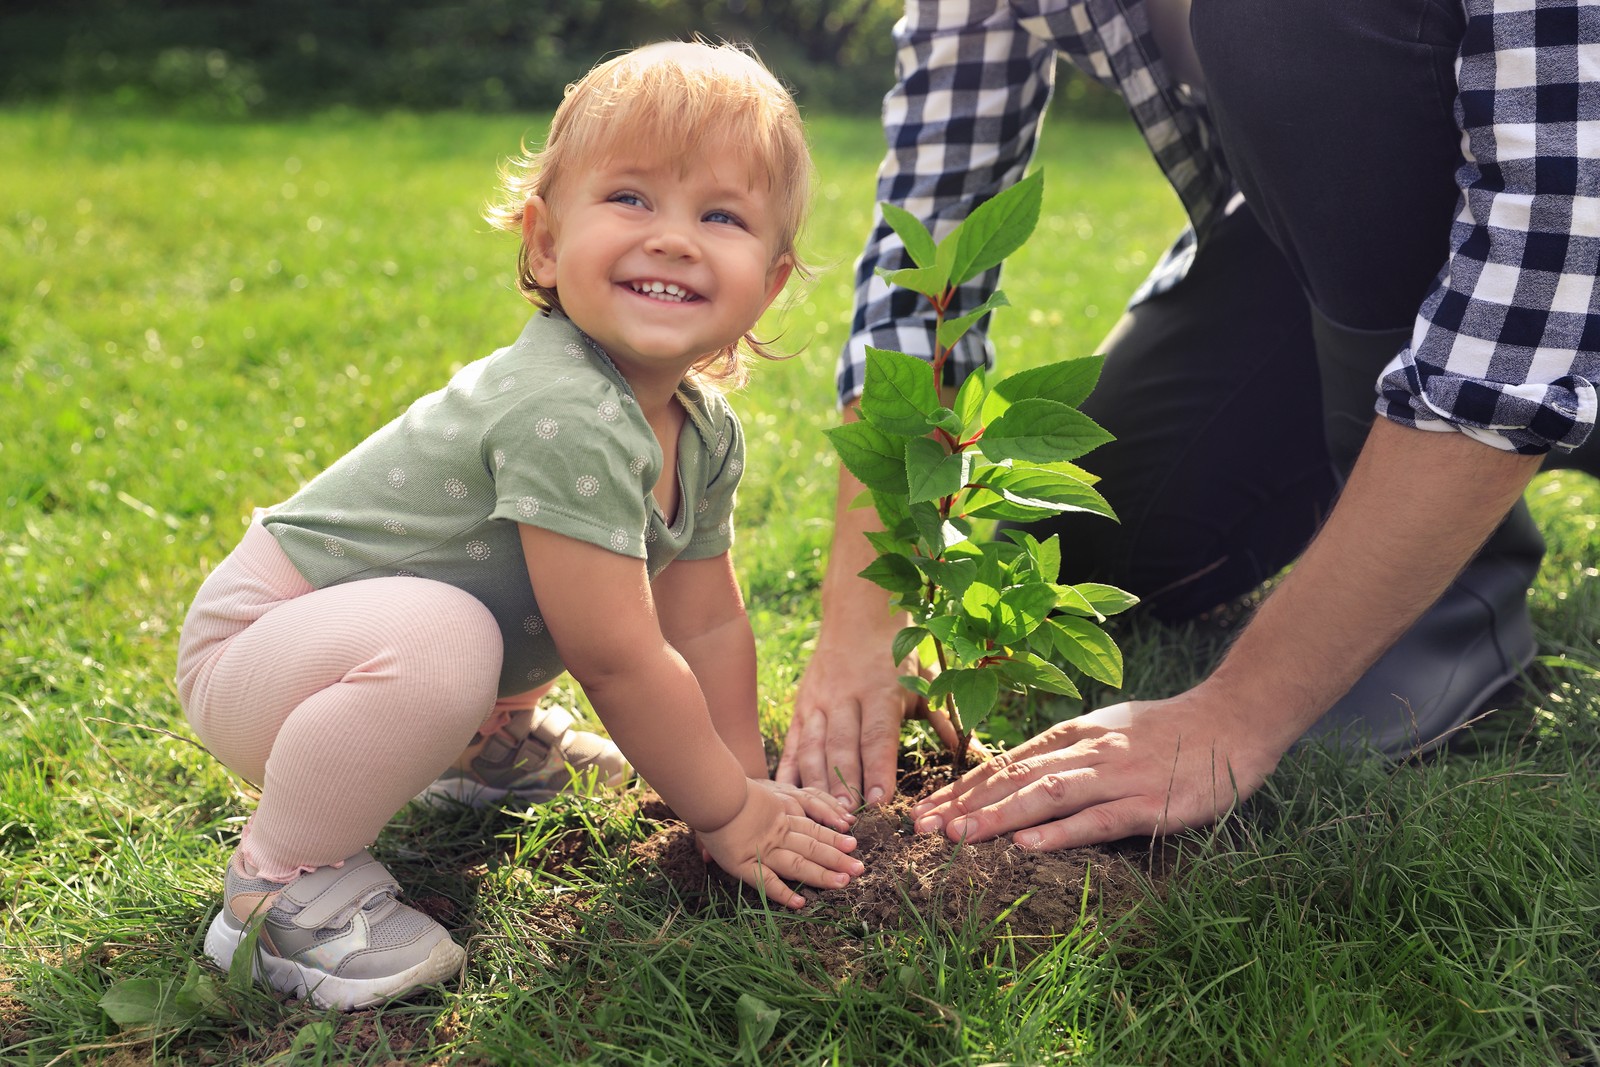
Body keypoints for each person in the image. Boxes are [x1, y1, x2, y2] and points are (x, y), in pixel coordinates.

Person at [779, 0, 1600, 848]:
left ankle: (1461, 590)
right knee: (1083, 532)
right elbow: (930, 254)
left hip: (1564, 254)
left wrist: (1236, 711)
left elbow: (1548, 252)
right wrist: (868, 608)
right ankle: (1389, 478)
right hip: (1328, 260)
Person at [175, 41, 864, 1012]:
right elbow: (619, 655)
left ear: (774, 278)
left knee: (466, 628)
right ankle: (277, 886)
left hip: (353, 664)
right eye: (631, 198)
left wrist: (743, 778)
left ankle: (483, 741)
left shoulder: (702, 431)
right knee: (447, 635)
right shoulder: (565, 408)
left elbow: (704, 621)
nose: (673, 238)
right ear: (543, 242)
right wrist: (725, 810)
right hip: (262, 657)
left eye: (720, 214)